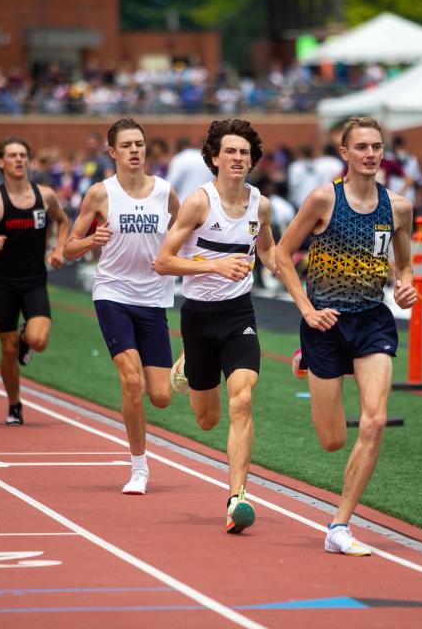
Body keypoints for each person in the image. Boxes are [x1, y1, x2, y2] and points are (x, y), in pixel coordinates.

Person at [274, 116, 416, 556]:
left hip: (373, 320)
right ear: (345, 154)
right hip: (325, 324)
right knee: (332, 439)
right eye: (361, 147)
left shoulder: (399, 207)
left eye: (376, 146)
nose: (371, 154)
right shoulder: (323, 200)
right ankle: (307, 359)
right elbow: (280, 255)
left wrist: (405, 284)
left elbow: (404, 263)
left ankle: (339, 525)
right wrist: (307, 310)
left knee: (373, 422)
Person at [155, 119, 277, 534]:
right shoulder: (197, 203)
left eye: (244, 152)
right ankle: (187, 365)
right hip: (199, 316)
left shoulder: (260, 205)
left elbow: (268, 249)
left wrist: (292, 276)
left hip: (239, 313)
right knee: (207, 419)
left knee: (242, 399)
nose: (238, 158)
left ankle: (237, 497)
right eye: (230, 151)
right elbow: (163, 262)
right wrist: (214, 264)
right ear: (214, 157)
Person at [64, 118, 179, 495]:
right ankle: (139, 468)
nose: (134, 150)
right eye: (127, 145)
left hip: (154, 298)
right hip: (113, 293)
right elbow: (68, 247)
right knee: (132, 382)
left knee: (160, 396)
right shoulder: (101, 193)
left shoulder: (165, 192)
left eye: (139, 144)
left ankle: (180, 367)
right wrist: (90, 241)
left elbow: (187, 234)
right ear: (112, 152)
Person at [0, 136, 69, 426]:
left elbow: (63, 222)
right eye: (12, 156)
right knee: (7, 348)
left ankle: (27, 339)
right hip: (2, 282)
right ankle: (14, 404)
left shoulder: (45, 195)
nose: (18, 160)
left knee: (38, 340)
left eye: (22, 155)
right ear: (1, 162)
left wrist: (58, 248)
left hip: (34, 280)